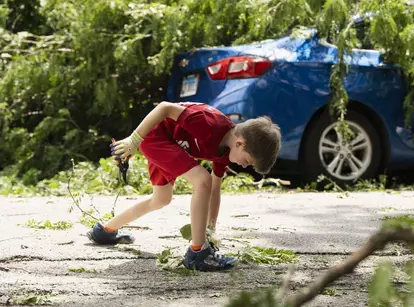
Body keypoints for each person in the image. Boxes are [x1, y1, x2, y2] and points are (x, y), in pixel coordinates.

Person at [86, 101, 281, 272]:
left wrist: (211, 230)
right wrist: (133, 140)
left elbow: (214, 190)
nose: (244, 166)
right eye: (247, 161)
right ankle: (198, 253)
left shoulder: (225, 152)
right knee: (201, 180)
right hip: (156, 136)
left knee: (161, 199)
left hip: (171, 144)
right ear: (240, 143)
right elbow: (164, 107)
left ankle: (105, 231)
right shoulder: (210, 123)